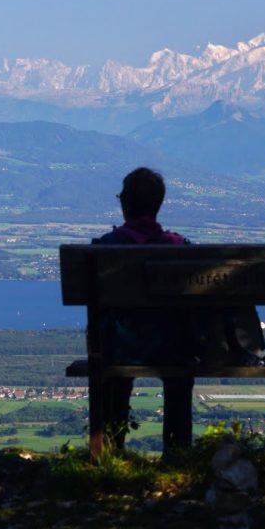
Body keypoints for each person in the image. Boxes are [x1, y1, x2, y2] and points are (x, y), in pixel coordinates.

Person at [92, 167, 194, 451]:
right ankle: (178, 452)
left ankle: (111, 450)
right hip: (172, 347)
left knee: (114, 374)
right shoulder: (180, 248)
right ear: (158, 205)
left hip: (116, 346)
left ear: (124, 205)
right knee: (180, 373)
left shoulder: (104, 249)